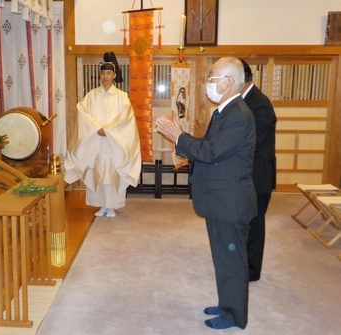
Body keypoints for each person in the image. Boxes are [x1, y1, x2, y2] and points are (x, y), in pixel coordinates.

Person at [156, 57, 257, 330]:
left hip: (230, 201)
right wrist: (181, 138)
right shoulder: (224, 111)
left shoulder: (238, 115)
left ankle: (236, 316)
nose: (209, 83)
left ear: (230, 82)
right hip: (220, 199)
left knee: (232, 261)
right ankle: (227, 305)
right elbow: (210, 146)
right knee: (223, 258)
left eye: (214, 77)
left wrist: (179, 136)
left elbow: (212, 153)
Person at [64, 54, 141, 218]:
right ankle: (101, 205)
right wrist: (96, 128)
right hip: (96, 140)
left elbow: (125, 118)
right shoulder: (91, 95)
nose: (105, 77)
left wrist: (108, 130)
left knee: (112, 172)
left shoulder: (122, 96)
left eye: (108, 74)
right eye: (103, 73)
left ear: (114, 76)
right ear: (100, 75)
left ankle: (111, 206)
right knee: (97, 172)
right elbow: (82, 113)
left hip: (114, 142)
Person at [239, 58, 277, 282]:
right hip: (248, 173)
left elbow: (257, 141)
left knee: (255, 223)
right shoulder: (245, 100)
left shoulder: (259, 103)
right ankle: (243, 262)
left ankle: (252, 270)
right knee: (246, 220)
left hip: (258, 174)